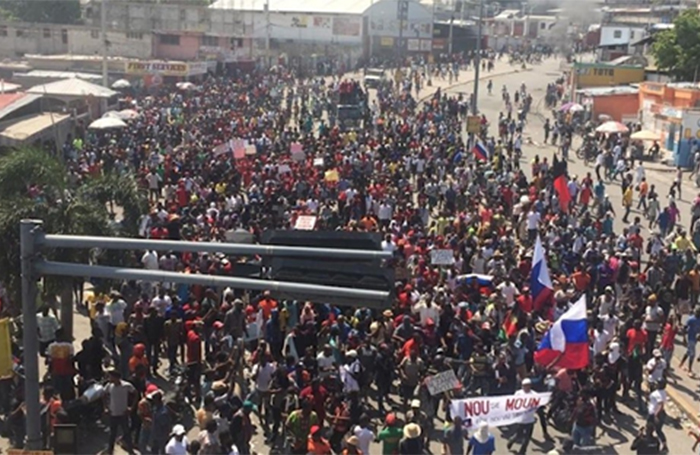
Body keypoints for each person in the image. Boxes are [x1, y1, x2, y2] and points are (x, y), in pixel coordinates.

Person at [103, 368, 137, 455]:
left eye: (111, 377)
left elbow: (135, 394)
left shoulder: (126, 386)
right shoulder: (109, 386)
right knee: (112, 435)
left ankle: (130, 451)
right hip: (113, 414)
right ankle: (110, 451)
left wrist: (131, 407)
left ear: (116, 378)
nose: (110, 379)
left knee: (127, 433)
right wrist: (106, 407)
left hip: (123, 414)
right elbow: (103, 394)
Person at [507, 378, 536, 454]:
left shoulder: (534, 395)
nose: (526, 387)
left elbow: (537, 405)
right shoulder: (518, 393)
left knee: (527, 438)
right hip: (521, 420)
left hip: (530, 420)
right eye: (524, 386)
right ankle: (511, 441)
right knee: (519, 434)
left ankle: (522, 451)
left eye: (527, 386)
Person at [648, 380, 668, 452]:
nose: (656, 384)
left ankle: (649, 443)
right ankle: (664, 444)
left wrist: (656, 415)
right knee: (658, 430)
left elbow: (660, 405)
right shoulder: (663, 392)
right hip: (661, 414)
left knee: (650, 428)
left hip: (654, 414)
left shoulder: (658, 394)